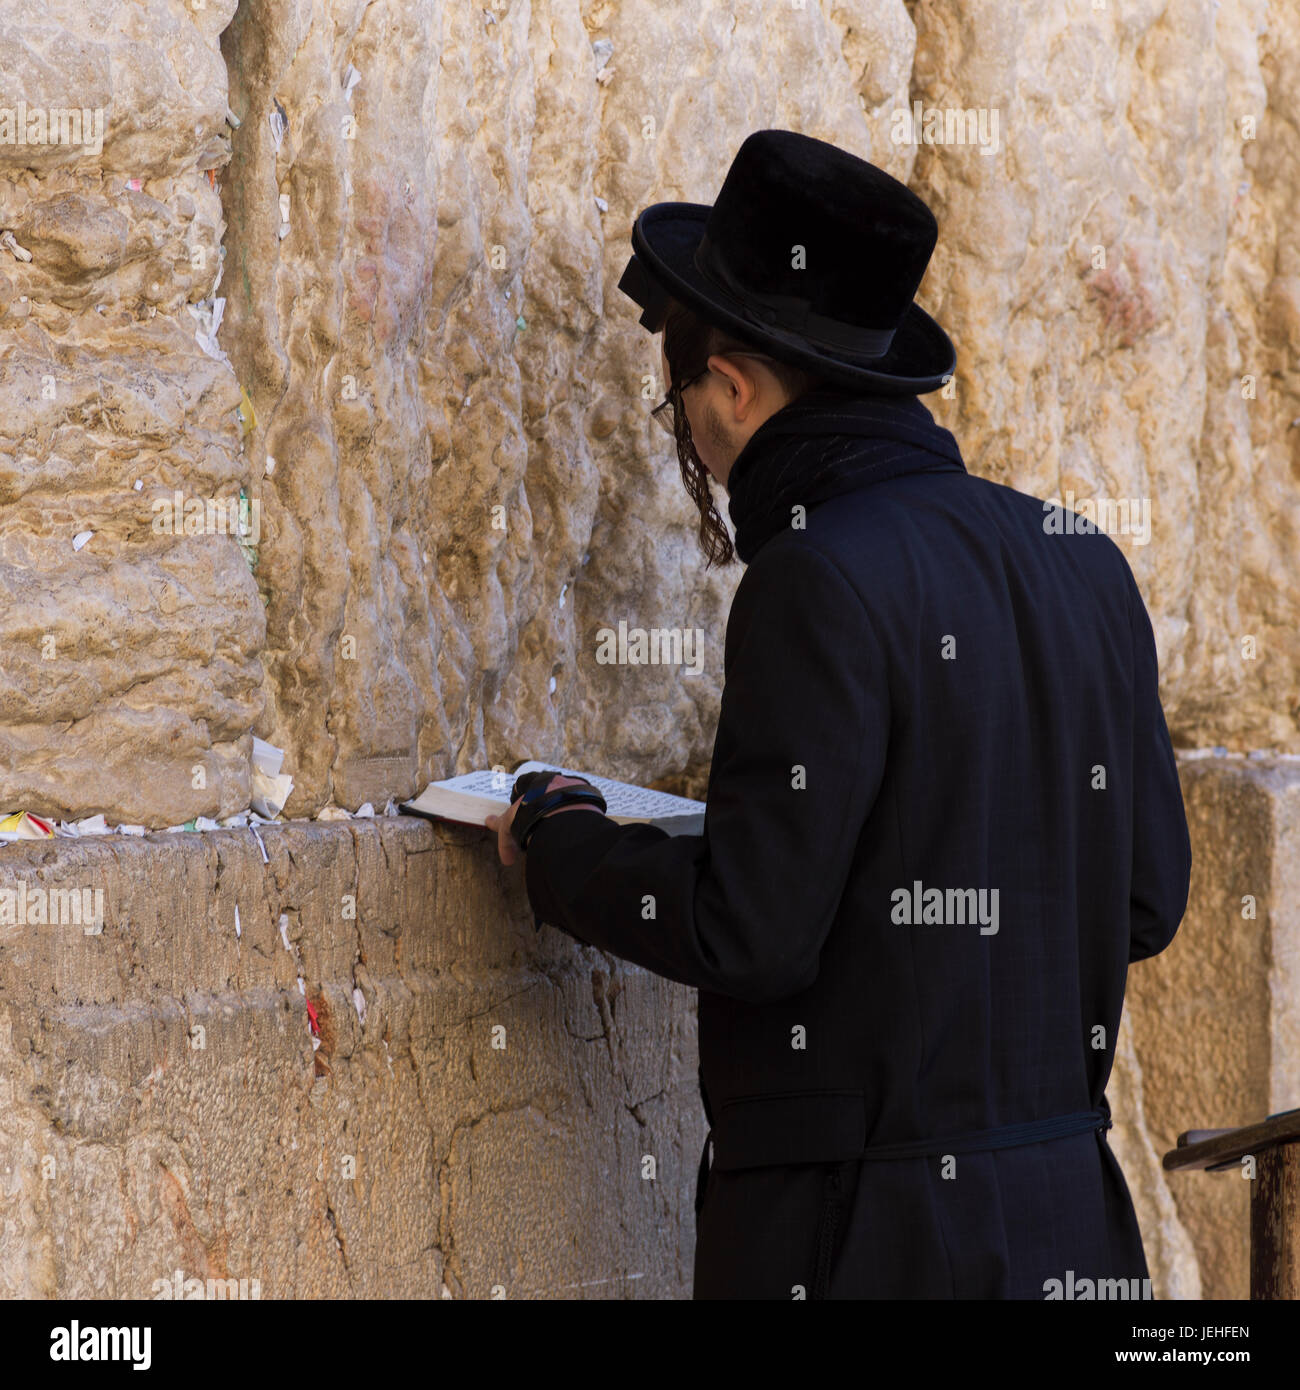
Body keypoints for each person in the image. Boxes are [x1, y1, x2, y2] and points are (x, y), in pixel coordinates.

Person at [486, 129, 1192, 1299]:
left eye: (685, 403)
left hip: (875, 1241)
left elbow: (752, 931)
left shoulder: (818, 573)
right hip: (1070, 1220)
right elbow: (1144, 898)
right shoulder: (1081, 559)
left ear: (734, 385)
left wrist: (561, 846)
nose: (698, 451)